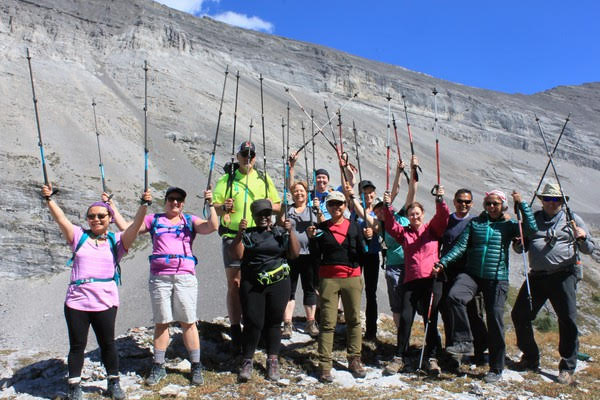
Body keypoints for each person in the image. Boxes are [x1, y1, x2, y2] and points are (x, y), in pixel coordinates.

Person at [42, 184, 150, 400]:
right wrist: (49, 200)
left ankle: (114, 383)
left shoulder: (116, 240)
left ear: (110, 217)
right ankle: (74, 388)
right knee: (77, 346)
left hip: (105, 301)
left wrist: (143, 206)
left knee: (107, 343)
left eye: (101, 215)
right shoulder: (78, 236)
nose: (96, 219)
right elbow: (61, 219)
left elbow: (135, 226)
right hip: (76, 301)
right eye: (91, 216)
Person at [437, 189, 537, 383]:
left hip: (496, 278)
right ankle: (464, 341)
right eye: (488, 203)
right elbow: (460, 247)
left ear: (503, 206)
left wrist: (522, 205)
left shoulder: (509, 225)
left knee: (495, 321)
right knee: (455, 296)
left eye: (495, 204)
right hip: (473, 274)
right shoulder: (475, 223)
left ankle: (496, 367)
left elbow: (531, 230)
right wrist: (443, 262)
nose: (491, 207)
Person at [511, 183, 595, 384]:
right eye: (547, 199)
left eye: (556, 199)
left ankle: (567, 366)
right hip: (537, 276)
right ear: (541, 200)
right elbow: (520, 248)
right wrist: (518, 243)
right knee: (520, 314)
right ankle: (530, 357)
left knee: (567, 319)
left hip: (564, 274)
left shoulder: (573, 219)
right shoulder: (534, 220)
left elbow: (589, 248)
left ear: (562, 201)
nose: (551, 203)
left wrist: (582, 238)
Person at [139, 187, 218, 386]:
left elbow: (212, 226)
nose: (175, 203)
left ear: (183, 203)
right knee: (161, 321)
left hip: (184, 276)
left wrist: (211, 205)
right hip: (160, 277)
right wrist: (117, 207)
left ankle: (196, 365)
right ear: (165, 200)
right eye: (172, 199)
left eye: (179, 200)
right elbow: (130, 228)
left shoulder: (189, 221)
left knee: (188, 320)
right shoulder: (154, 219)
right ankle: (158, 365)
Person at [213, 141, 281, 354]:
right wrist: (224, 207)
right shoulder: (227, 179)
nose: (248, 158)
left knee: (257, 283)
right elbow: (215, 206)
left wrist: (269, 206)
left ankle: (255, 328)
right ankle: (235, 330)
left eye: (251, 155)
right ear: (238, 156)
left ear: (255, 157)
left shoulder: (264, 179)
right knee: (235, 282)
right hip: (233, 235)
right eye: (244, 154)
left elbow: (278, 206)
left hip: (259, 236)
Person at [381, 186, 449, 375]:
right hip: (411, 281)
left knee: (430, 320)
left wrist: (440, 200)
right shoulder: (405, 233)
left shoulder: (432, 230)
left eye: (417, 214)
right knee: (405, 319)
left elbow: (443, 217)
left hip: (431, 280)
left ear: (423, 214)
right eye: (411, 215)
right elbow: (390, 226)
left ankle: (432, 358)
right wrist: (387, 206)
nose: (415, 217)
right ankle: (399, 356)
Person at [231, 199, 300, 382]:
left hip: (278, 283)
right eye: (259, 214)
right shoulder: (249, 234)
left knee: (274, 321)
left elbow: (294, 254)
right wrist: (239, 233)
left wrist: (290, 231)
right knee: (253, 321)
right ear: (253, 216)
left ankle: (272, 360)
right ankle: (247, 360)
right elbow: (236, 255)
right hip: (252, 284)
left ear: (271, 216)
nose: (263, 218)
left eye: (266, 214)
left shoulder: (279, 233)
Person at [307, 191, 368, 383]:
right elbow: (315, 256)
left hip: (352, 277)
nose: (336, 207)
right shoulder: (320, 228)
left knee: (354, 320)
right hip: (329, 279)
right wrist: (312, 238)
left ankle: (354, 359)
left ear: (345, 206)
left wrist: (369, 237)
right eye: (332, 204)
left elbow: (362, 252)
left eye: (339, 204)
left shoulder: (355, 227)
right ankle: (325, 365)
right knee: (327, 323)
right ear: (327, 206)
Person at [438, 189, 488, 366]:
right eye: (460, 201)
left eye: (467, 202)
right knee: (448, 312)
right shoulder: (447, 221)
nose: (463, 204)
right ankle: (452, 351)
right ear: (454, 201)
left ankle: (480, 351)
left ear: (472, 203)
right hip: (447, 272)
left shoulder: (476, 222)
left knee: (473, 312)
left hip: (469, 274)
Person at [281, 181, 320, 339]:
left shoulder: (313, 210)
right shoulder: (288, 210)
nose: (299, 193)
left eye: (302, 191)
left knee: (309, 288)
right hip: (291, 254)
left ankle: (310, 322)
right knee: (289, 290)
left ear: (307, 193)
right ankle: (287, 323)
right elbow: (281, 223)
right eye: (296, 191)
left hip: (309, 254)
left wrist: (318, 210)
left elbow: (322, 226)